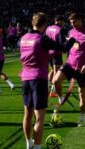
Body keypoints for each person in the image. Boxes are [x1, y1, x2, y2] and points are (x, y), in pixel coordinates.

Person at [19, 12, 66, 149]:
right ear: (45, 25)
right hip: (38, 79)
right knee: (39, 117)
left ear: (32, 23)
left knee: (27, 114)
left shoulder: (23, 38)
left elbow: (34, 52)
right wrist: (72, 42)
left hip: (25, 78)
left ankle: (29, 144)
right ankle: (38, 147)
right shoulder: (42, 39)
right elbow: (62, 47)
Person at [52, 13, 85, 127]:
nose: (73, 25)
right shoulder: (70, 32)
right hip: (69, 64)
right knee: (55, 80)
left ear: (80, 19)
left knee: (81, 93)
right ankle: (60, 98)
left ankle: (82, 119)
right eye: (71, 23)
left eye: (74, 22)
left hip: (82, 68)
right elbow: (68, 48)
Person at [45, 16, 67, 99]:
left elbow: (45, 38)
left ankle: (47, 88)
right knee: (57, 72)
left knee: (52, 70)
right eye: (63, 21)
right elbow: (61, 43)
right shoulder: (59, 29)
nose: (63, 23)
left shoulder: (48, 28)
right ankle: (53, 91)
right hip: (56, 53)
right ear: (60, 21)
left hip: (49, 52)